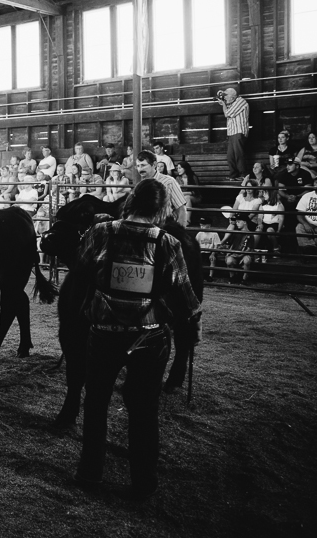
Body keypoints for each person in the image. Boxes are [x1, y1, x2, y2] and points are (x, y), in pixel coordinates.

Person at [73, 179, 202, 499]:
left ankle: (90, 474)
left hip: (104, 332)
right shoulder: (168, 243)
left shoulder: (101, 233)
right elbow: (185, 297)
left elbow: (81, 268)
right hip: (149, 336)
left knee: (96, 402)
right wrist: (192, 323)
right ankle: (143, 483)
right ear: (160, 210)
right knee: (144, 411)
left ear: (130, 201)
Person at [135, 151, 188, 226]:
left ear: (154, 164)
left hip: (165, 227)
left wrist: (180, 233)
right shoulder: (140, 185)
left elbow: (181, 209)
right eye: (138, 166)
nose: (140, 169)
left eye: (143, 165)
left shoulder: (169, 182)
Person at [218, 87, 249, 180]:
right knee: (230, 155)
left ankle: (243, 175)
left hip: (239, 132)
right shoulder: (231, 103)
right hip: (232, 133)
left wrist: (223, 103)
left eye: (226, 95)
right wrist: (222, 98)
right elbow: (226, 108)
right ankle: (234, 175)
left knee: (238, 154)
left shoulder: (240, 101)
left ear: (233, 96)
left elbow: (227, 114)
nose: (225, 98)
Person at [218, 215, 255, 284]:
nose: (236, 223)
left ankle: (244, 278)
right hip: (235, 253)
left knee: (247, 260)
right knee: (229, 261)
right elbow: (232, 245)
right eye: (236, 222)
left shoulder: (250, 234)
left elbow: (249, 248)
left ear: (244, 222)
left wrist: (241, 255)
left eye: (238, 222)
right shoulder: (236, 232)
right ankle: (232, 277)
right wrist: (229, 253)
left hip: (244, 254)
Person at [255, 188, 284, 259]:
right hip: (265, 223)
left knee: (269, 231)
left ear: (271, 194)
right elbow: (260, 217)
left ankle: (276, 249)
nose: (263, 195)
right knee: (258, 230)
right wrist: (259, 224)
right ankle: (252, 249)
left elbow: (281, 219)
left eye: (265, 193)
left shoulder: (279, 205)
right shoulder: (263, 204)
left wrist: (278, 231)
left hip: (274, 224)